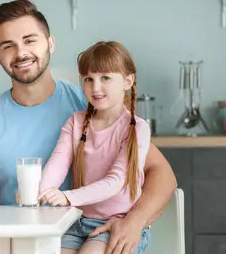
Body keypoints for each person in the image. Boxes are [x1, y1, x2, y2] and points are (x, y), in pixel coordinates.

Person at [0, 0, 177, 254]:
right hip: (23, 245)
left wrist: (134, 222)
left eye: (30, 40)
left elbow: (162, 176)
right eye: (8, 46)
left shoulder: (91, 105)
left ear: (50, 43)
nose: (21, 53)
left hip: (98, 235)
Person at [39, 41, 151, 254]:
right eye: (89, 79)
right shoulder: (76, 122)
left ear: (128, 81)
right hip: (78, 222)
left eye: (105, 78)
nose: (95, 87)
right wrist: (39, 191)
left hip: (117, 224)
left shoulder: (137, 129)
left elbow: (116, 181)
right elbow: (58, 163)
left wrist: (68, 197)